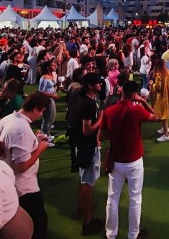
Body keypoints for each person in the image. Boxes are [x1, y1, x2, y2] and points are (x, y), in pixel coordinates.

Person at [99, 81, 157, 239]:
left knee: (112, 198)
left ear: (121, 91)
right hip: (134, 160)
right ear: (134, 94)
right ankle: (133, 234)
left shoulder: (109, 111)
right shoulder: (136, 110)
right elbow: (156, 116)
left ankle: (111, 234)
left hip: (116, 160)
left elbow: (101, 136)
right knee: (135, 198)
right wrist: (143, 102)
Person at [0, 92, 51, 239]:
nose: (41, 115)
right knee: (37, 223)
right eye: (42, 111)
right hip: (23, 187)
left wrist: (34, 140)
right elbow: (22, 166)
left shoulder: (7, 119)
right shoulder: (21, 129)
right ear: (36, 109)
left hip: (7, 179)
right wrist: (40, 148)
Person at [75, 72, 104, 236]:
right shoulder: (89, 104)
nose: (100, 84)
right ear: (90, 86)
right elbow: (87, 130)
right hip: (87, 147)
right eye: (97, 83)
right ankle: (87, 221)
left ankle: (82, 207)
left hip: (83, 145)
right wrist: (101, 119)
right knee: (88, 182)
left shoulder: (85, 100)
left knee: (84, 179)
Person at [149, 59, 169, 142]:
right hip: (167, 96)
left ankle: (166, 135)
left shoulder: (159, 76)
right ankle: (165, 128)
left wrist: (152, 85)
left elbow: (158, 88)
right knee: (164, 114)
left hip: (161, 97)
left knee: (163, 116)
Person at [38, 61, 58, 140]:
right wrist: (52, 95)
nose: (55, 66)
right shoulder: (44, 77)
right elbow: (41, 91)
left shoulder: (51, 76)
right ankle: (44, 138)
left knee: (52, 117)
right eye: (53, 65)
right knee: (47, 119)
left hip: (51, 98)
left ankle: (47, 134)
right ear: (47, 67)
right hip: (46, 100)